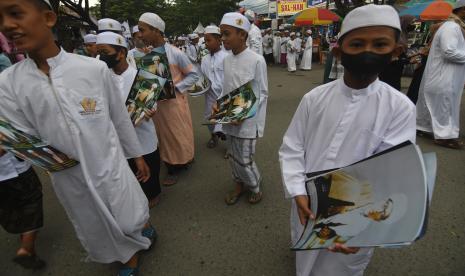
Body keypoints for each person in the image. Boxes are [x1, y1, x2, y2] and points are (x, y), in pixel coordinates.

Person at [0, 1, 157, 275]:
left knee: (126, 210)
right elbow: (18, 137)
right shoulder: (8, 84)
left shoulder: (92, 70)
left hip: (109, 163)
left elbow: (119, 118)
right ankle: (125, 252)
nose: (6, 25)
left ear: (48, 18)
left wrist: (137, 156)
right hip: (66, 175)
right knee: (93, 222)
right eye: (0, 18)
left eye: (15, 14)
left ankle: (135, 238)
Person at [279, 5, 416, 276]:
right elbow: (292, 148)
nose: (368, 52)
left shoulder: (400, 107)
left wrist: (365, 226)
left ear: (395, 52)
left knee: (341, 269)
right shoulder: (314, 99)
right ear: (339, 52)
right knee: (305, 260)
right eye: (357, 43)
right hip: (308, 201)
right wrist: (297, 189)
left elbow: (391, 171)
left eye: (380, 44)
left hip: (360, 213)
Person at [96, 31, 162, 209]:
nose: (101, 56)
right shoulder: (101, 78)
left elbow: (152, 104)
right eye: (98, 51)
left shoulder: (142, 77)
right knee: (127, 171)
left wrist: (149, 110)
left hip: (143, 135)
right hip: (116, 137)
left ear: (121, 53)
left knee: (150, 171)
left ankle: (153, 194)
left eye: (104, 51)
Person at [138, 12, 199, 186]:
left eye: (142, 30)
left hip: (174, 104)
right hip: (156, 106)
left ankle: (179, 164)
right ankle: (173, 164)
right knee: (162, 137)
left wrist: (174, 88)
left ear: (156, 30)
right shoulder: (146, 55)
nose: (140, 35)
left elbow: (193, 75)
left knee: (178, 134)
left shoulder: (175, 53)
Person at [219, 12, 268, 205]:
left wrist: (244, 114)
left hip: (248, 120)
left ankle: (254, 186)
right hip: (229, 117)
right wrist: (223, 112)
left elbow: (262, 93)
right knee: (232, 155)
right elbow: (226, 88)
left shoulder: (257, 60)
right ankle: (239, 185)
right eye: (221, 34)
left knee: (245, 157)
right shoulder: (226, 60)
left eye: (226, 34)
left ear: (242, 34)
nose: (223, 39)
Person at [416, 0, 465, 149]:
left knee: (437, 104)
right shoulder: (452, 27)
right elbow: (449, 52)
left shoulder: (450, 26)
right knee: (445, 105)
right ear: (462, 10)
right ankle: (445, 137)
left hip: (442, 75)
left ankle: (424, 128)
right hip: (445, 76)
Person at [201, 25, 229, 149]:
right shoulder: (204, 59)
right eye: (205, 40)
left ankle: (230, 147)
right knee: (209, 117)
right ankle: (213, 137)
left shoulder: (227, 57)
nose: (206, 44)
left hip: (224, 94)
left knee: (227, 121)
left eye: (209, 40)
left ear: (219, 40)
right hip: (210, 94)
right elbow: (202, 77)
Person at [379, 15, 416, 90]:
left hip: (397, 67)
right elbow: (393, 55)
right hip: (390, 67)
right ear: (405, 23)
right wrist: (406, 60)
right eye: (411, 23)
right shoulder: (396, 35)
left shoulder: (404, 34)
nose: (413, 25)